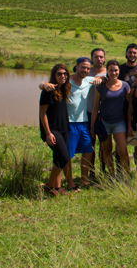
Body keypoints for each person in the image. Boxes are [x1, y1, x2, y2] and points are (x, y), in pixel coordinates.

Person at [38, 57, 101, 189]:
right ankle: (69, 183)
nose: (85, 70)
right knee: (67, 155)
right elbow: (44, 85)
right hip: (68, 123)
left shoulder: (86, 81)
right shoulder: (66, 82)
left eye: (88, 68)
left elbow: (106, 76)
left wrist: (100, 79)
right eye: (83, 67)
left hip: (83, 122)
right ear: (76, 67)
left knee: (88, 150)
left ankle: (84, 180)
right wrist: (43, 84)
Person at [91, 60, 131, 176]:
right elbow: (95, 107)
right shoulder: (101, 87)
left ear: (119, 71)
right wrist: (93, 127)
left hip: (119, 122)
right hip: (104, 122)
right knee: (106, 150)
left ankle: (126, 175)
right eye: (111, 70)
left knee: (123, 151)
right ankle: (111, 175)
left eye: (116, 70)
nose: (114, 73)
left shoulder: (125, 86)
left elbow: (130, 107)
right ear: (107, 71)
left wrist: (129, 124)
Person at [39, 64, 72, 196]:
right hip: (53, 130)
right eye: (59, 74)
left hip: (64, 129)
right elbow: (43, 114)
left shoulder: (64, 89)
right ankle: (48, 186)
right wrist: (48, 133)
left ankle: (56, 189)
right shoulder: (48, 90)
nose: (62, 76)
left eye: (65, 73)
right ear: (54, 75)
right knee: (64, 158)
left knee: (57, 157)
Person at [86, 48, 107, 177]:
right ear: (91, 58)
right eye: (96, 57)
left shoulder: (109, 72)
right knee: (91, 142)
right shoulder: (86, 72)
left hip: (104, 113)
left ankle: (103, 170)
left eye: (101, 57)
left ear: (104, 58)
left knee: (104, 144)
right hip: (88, 111)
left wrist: (101, 78)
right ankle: (91, 171)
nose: (98, 59)